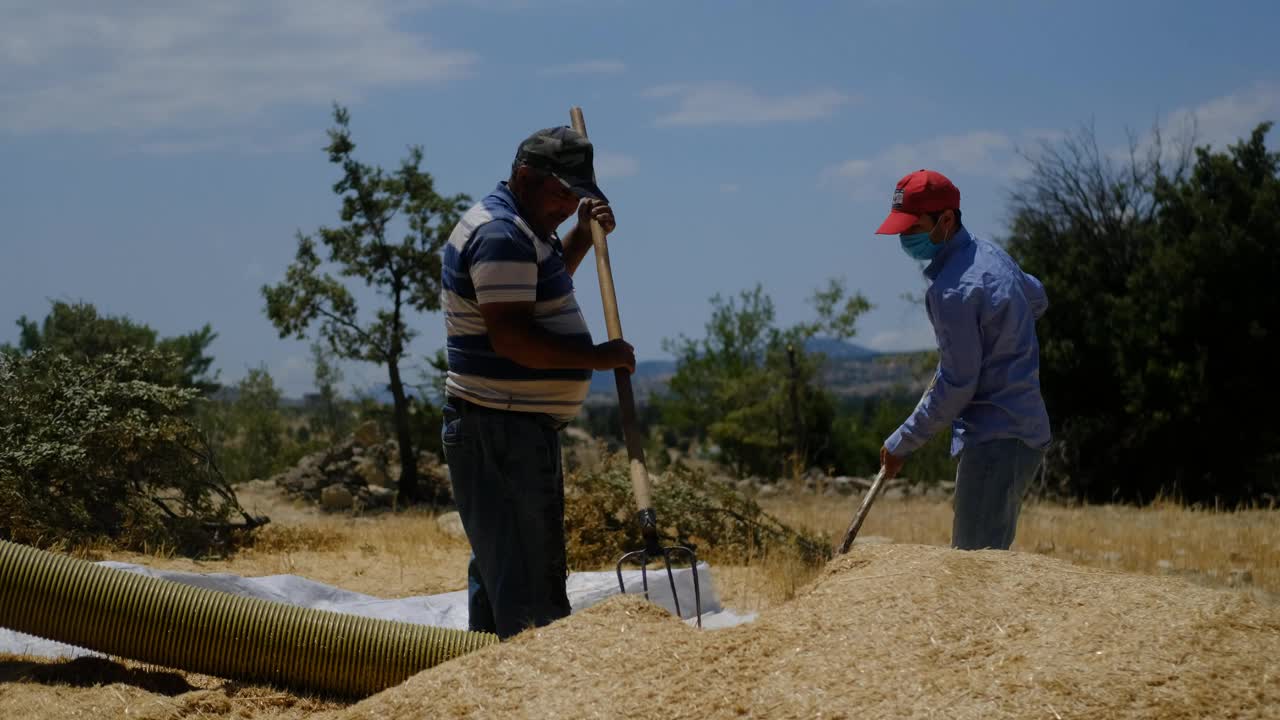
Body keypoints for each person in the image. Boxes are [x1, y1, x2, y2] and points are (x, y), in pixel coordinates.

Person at [440, 126, 635, 638]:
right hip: (500, 429)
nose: (568, 206)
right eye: (561, 195)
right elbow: (513, 340)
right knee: (529, 589)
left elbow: (539, 292)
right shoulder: (501, 233)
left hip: (511, 425)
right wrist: (597, 358)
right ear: (525, 177)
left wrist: (577, 238)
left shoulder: (528, 228)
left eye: (578, 197)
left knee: (505, 571)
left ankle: (485, 685)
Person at [873, 169, 1051, 550]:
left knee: (974, 572)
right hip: (1025, 433)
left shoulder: (951, 290)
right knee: (987, 563)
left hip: (994, 440)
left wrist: (902, 441)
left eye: (913, 228)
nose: (906, 238)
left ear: (947, 219)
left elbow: (957, 384)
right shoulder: (991, 256)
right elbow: (1037, 297)